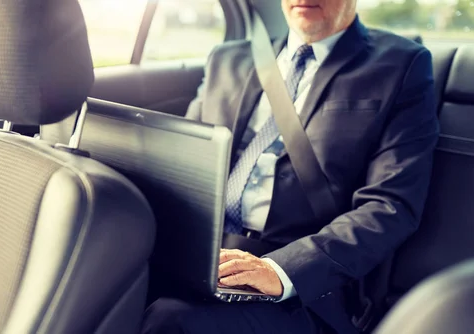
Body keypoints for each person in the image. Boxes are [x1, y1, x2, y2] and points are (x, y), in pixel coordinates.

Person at [142, 0, 439, 333]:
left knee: (171, 320)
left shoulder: (402, 65)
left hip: (306, 285)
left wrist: (281, 271)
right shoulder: (227, 59)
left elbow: (390, 205)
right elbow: (182, 166)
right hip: (206, 257)